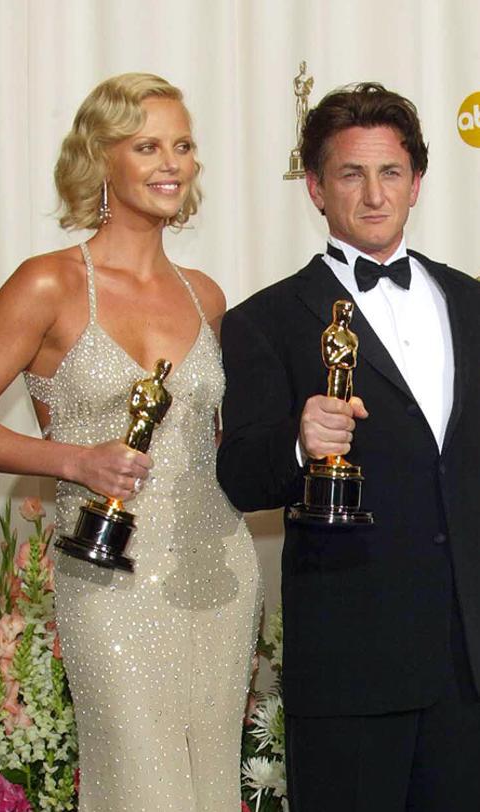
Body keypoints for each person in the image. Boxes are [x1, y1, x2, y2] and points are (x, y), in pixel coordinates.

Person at [0, 72, 262, 811]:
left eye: (182, 145)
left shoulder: (205, 295)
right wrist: (75, 460)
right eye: (147, 146)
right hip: (107, 574)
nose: (172, 163)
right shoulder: (48, 284)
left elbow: (215, 441)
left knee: (210, 784)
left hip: (217, 567)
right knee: (139, 783)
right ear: (100, 159)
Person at [217, 82, 480, 811]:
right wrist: (299, 442)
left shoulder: (471, 302)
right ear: (315, 187)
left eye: (390, 172)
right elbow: (240, 476)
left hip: (467, 665)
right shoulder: (264, 320)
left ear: (417, 182)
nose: (373, 194)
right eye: (350, 174)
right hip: (352, 666)